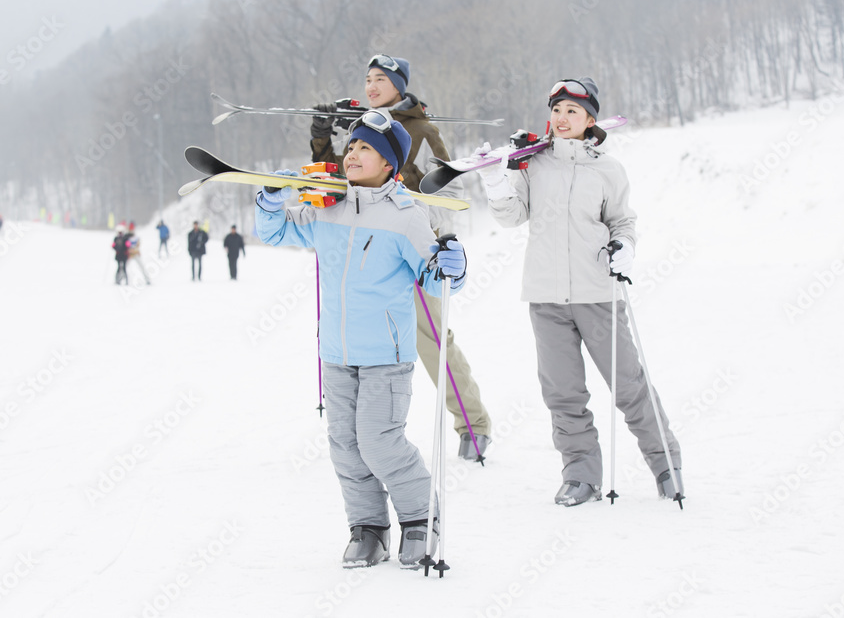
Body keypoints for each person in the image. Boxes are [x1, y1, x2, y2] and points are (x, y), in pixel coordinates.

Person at [258, 112, 467, 569]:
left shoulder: (406, 216)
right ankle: (367, 528)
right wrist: (271, 200)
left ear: (390, 164)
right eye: (351, 147)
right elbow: (272, 230)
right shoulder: (325, 206)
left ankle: (418, 518)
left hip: (385, 356)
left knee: (378, 441)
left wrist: (452, 264)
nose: (352, 154)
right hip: (335, 352)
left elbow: (436, 280)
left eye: (365, 149)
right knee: (345, 447)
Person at [481, 77, 684, 506]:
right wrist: (498, 184)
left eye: (572, 111)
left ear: (590, 119)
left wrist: (625, 247)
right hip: (546, 298)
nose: (562, 118)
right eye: (556, 110)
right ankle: (580, 476)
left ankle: (665, 465)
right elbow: (512, 216)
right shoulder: (533, 164)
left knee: (629, 384)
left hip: (597, 294)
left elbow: (622, 222)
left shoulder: (608, 170)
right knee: (563, 392)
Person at [310, 53, 493, 461]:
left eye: (381, 79)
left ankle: (473, 425)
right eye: (367, 79)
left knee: (430, 338)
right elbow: (337, 184)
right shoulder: (361, 133)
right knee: (359, 340)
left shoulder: (420, 130)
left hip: (411, 245)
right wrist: (322, 138)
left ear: (399, 86)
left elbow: (445, 189)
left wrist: (425, 229)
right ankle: (362, 438)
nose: (371, 86)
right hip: (365, 251)